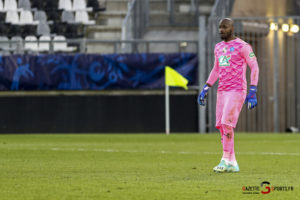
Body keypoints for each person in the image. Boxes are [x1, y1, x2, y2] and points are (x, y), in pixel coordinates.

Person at [198, 18, 259, 173]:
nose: (221, 30)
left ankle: (224, 159)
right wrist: (206, 87)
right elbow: (217, 69)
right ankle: (232, 162)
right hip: (222, 91)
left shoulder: (243, 46)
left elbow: (254, 66)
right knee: (221, 125)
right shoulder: (218, 47)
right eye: (220, 27)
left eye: (224, 27)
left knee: (227, 123)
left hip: (237, 90)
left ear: (232, 28)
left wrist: (253, 90)